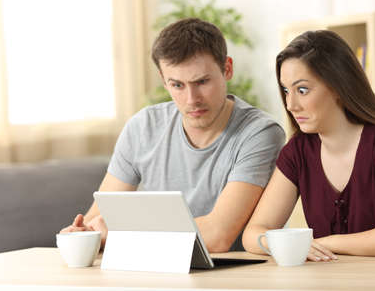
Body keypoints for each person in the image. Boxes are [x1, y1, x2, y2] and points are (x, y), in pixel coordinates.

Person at [60, 18, 285, 252]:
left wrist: (121, 233)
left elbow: (218, 236)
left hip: (231, 278)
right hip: (154, 269)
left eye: (202, 82)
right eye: (177, 85)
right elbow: (96, 221)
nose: (192, 99)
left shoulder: (260, 133)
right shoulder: (143, 127)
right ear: (163, 80)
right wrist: (79, 234)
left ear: (227, 69)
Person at [242, 30, 375, 260]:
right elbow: (253, 233)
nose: (291, 104)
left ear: (338, 87)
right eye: (286, 90)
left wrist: (321, 244)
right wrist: (279, 245)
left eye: (302, 90)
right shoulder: (298, 151)